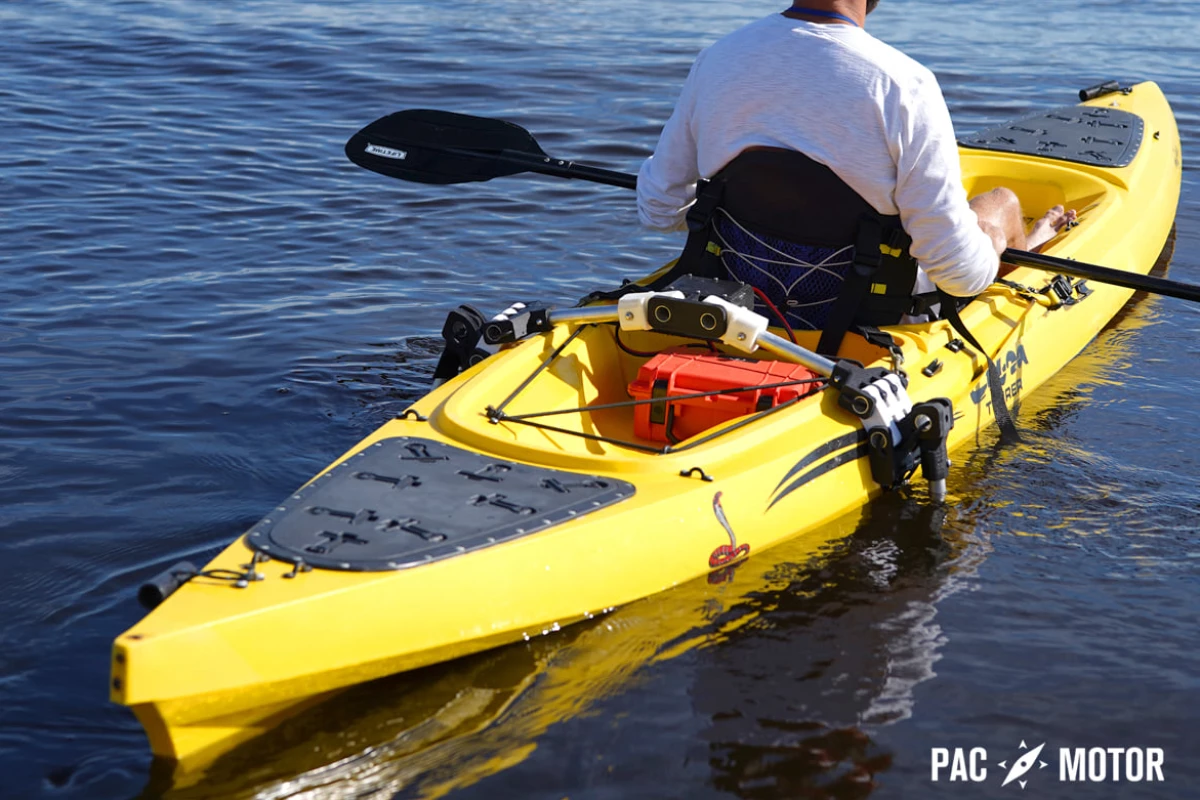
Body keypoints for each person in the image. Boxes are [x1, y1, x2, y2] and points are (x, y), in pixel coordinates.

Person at [636, 1, 1074, 326]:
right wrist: (991, 249)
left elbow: (658, 210)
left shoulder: (719, 57)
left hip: (743, 294)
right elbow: (957, 275)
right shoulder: (905, 85)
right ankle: (1024, 249)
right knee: (1001, 204)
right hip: (863, 315)